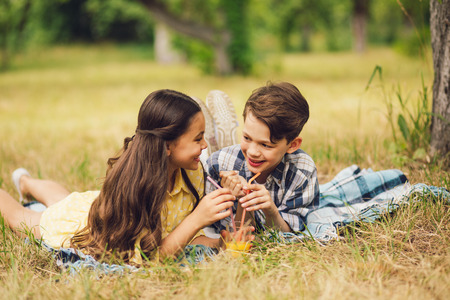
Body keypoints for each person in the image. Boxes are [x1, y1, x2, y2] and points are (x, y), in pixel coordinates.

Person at [0, 89, 236, 265]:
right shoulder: (136, 192)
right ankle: (24, 184)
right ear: (166, 146)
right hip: (87, 228)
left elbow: (182, 240)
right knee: (20, 217)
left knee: (67, 199)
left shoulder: (191, 176)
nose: (205, 145)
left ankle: (25, 182)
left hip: (94, 205)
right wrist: (197, 218)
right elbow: (149, 258)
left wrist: (224, 242)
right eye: (198, 138)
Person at [205, 81, 320, 235]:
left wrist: (271, 211)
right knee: (218, 158)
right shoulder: (217, 165)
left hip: (267, 218)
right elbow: (231, 233)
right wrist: (237, 198)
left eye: (266, 145)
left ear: (292, 145)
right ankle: (212, 141)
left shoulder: (302, 171)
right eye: (246, 137)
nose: (253, 152)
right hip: (225, 161)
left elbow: (288, 234)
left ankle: (224, 139)